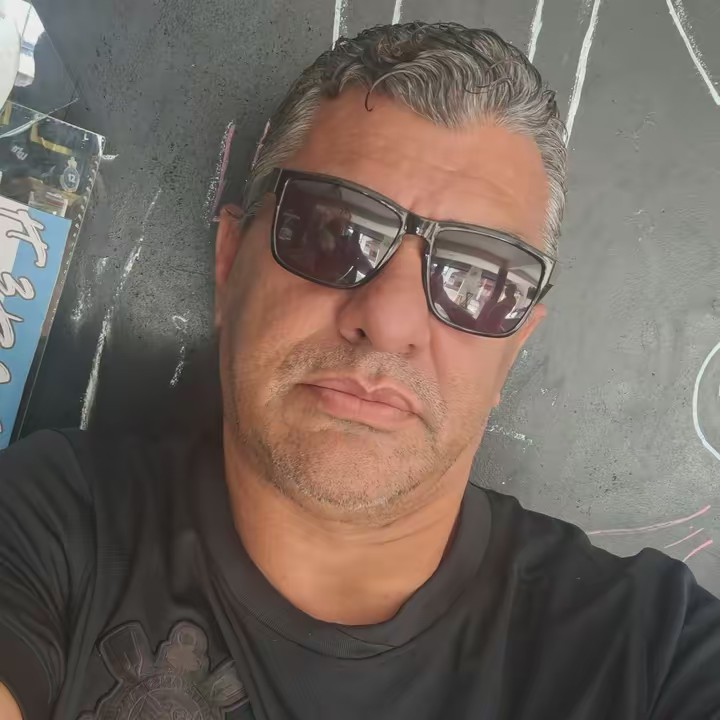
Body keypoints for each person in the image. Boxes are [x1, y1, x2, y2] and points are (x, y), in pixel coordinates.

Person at [0, 21, 718, 720]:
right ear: (229, 263)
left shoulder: (652, 656)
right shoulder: (49, 526)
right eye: (333, 231)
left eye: (479, 278)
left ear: (515, 345)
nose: (391, 319)